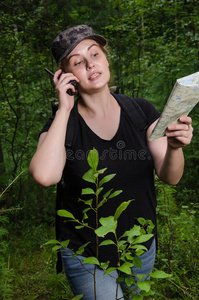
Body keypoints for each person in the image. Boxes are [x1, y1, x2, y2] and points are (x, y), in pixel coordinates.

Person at [29, 25, 193, 299]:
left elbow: (171, 176)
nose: (90, 63)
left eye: (95, 54)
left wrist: (175, 147)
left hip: (140, 246)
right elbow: (45, 176)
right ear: (65, 76)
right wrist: (64, 108)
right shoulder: (61, 126)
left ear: (106, 59)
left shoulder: (141, 111)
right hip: (87, 255)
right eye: (78, 62)